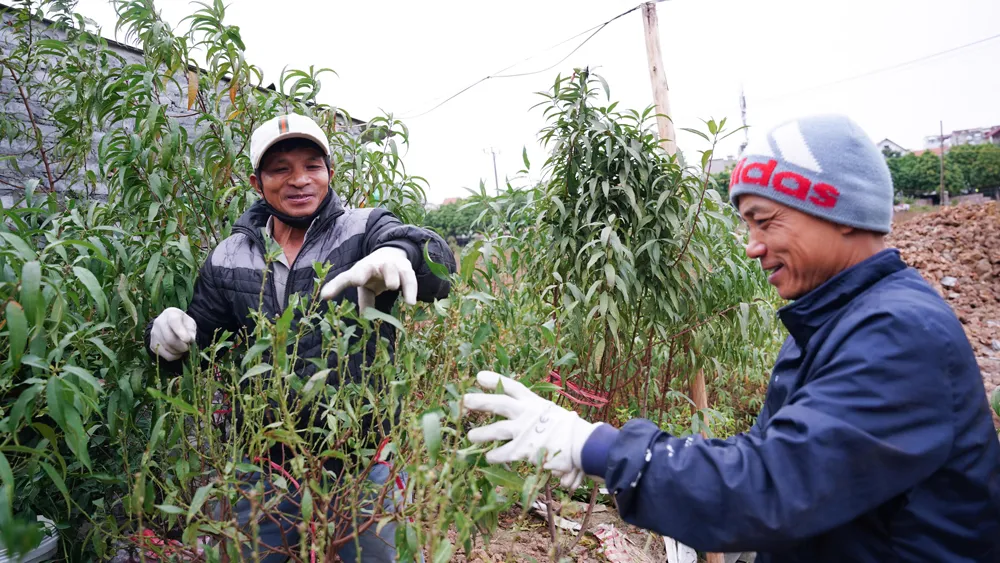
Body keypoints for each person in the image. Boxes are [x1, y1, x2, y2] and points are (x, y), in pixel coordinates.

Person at [462, 114, 1000, 562]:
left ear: (837, 211)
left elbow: (773, 488)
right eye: (747, 226)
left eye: (764, 221)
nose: (751, 247)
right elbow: (774, 462)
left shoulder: (898, 335)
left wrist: (600, 446)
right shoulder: (830, 321)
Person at [145, 113, 456, 562]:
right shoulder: (230, 255)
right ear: (257, 182)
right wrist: (166, 341)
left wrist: (399, 252)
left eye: (312, 165)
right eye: (280, 169)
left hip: (361, 454)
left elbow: (436, 264)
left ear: (329, 171)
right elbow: (196, 350)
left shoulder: (364, 229)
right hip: (263, 459)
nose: (299, 180)